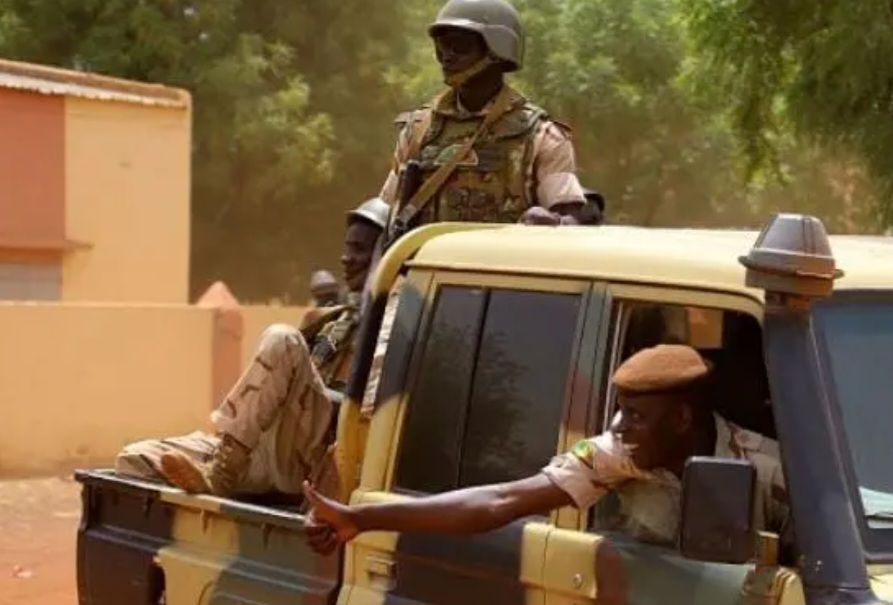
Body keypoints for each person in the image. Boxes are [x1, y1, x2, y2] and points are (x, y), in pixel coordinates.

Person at [302, 344, 788, 554]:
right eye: (620, 411)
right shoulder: (618, 453)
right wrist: (362, 519)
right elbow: (501, 501)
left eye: (636, 416)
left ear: (682, 420)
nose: (618, 427)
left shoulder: (768, 468)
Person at [114, 198, 390, 499]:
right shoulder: (332, 320)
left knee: (282, 339)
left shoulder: (394, 328)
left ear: (384, 256)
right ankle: (226, 464)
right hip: (264, 447)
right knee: (134, 459)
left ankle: (221, 473)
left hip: (314, 460)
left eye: (359, 249)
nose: (346, 258)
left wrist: (299, 396)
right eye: (347, 248)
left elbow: (369, 421)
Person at [380, 0, 586, 239]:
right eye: (442, 46)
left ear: (496, 50)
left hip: (502, 262)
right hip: (429, 262)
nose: (447, 57)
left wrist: (552, 222)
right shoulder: (419, 130)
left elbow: (571, 225)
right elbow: (385, 212)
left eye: (460, 46)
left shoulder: (541, 136)